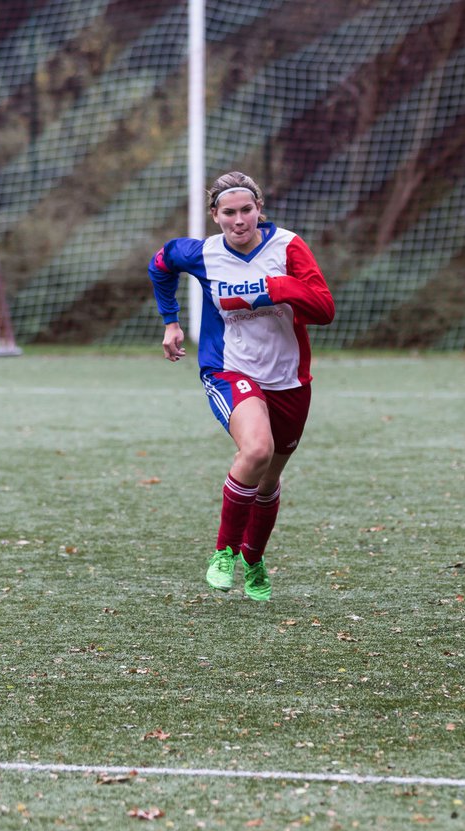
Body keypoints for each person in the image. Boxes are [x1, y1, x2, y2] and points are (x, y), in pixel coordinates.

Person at [148, 171, 335, 601]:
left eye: (246, 210)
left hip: (289, 378)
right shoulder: (200, 253)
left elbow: (324, 308)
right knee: (255, 450)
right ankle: (224, 553)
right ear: (215, 216)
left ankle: (253, 558)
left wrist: (277, 288)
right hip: (229, 369)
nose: (238, 220)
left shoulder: (288, 246)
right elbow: (160, 264)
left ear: (259, 210)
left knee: (267, 482)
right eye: (228, 212)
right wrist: (170, 321)